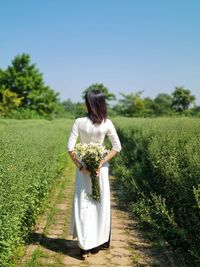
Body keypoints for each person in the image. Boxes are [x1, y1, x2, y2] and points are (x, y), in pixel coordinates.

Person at [66, 89, 121, 259]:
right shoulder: (107, 123)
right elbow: (116, 147)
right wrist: (101, 162)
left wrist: (82, 167)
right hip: (100, 171)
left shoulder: (79, 122)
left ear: (90, 103)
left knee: (83, 204)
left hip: (84, 171)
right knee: (99, 205)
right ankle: (96, 243)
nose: (84, 103)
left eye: (85, 100)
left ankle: (84, 245)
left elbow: (70, 148)